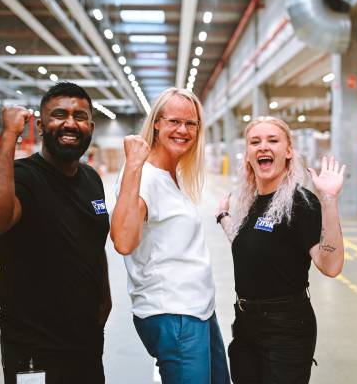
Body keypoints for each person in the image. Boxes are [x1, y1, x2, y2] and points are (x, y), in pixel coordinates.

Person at [0, 82, 111, 384]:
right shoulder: (23, 178)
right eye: (59, 114)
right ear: (39, 125)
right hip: (34, 351)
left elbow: (94, 241)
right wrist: (10, 134)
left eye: (79, 116)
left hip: (86, 344)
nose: (70, 123)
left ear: (90, 125)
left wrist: (105, 299)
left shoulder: (91, 178)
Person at [111, 88, 231, 384]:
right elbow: (124, 241)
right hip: (173, 313)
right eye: (174, 121)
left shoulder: (172, 174)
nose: (183, 130)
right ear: (156, 123)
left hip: (198, 310)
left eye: (191, 124)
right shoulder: (145, 175)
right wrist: (134, 167)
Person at [216, 116, 344, 384]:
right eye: (255, 141)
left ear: (288, 152)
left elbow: (330, 265)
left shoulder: (300, 202)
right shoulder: (251, 201)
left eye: (273, 140)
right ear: (248, 154)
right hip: (246, 325)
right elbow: (249, 246)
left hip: (285, 328)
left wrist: (329, 200)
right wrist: (224, 218)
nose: (263, 146)